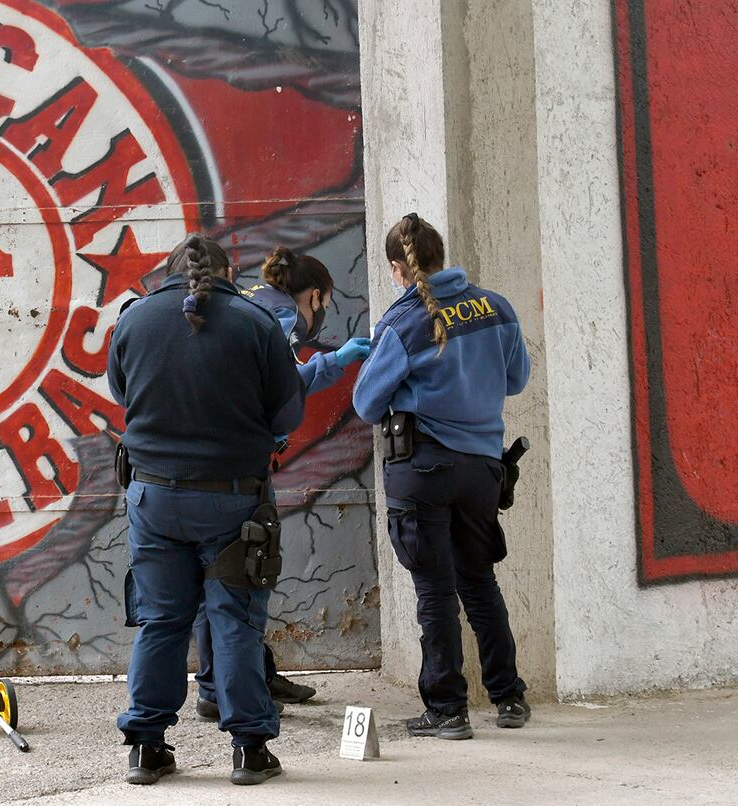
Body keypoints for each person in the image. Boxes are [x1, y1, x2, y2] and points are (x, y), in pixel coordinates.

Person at [109, 233, 305, 786]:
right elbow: (287, 415)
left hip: (153, 499)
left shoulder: (134, 320)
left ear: (168, 271)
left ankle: (146, 748)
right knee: (235, 621)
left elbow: (124, 393)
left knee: (161, 620)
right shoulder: (256, 323)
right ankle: (249, 749)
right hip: (232, 500)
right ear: (228, 271)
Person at [352, 213, 531, 740]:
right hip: (481, 468)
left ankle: (448, 710)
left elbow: (366, 403)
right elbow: (517, 379)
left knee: (434, 588)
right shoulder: (495, 307)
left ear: (395, 268)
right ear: (439, 254)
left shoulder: (402, 323)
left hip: (422, 468)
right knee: (479, 581)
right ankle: (509, 698)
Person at [194, 246, 371, 721]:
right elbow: (283, 383)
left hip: (198, 457)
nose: (321, 314)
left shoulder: (252, 295)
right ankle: (222, 689)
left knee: (220, 575)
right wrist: (336, 363)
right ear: (312, 295)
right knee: (243, 572)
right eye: (324, 304)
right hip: (236, 464)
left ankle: (252, 674)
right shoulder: (283, 312)